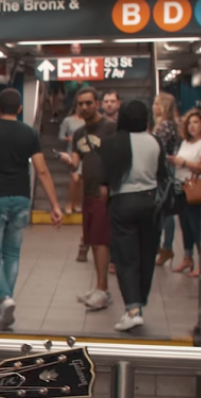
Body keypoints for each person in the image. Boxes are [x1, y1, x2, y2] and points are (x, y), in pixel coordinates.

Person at [0, 87, 63, 329]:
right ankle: (3, 306)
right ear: (19, 109)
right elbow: (41, 169)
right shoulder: (30, 133)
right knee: (12, 253)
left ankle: (5, 297)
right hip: (20, 198)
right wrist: (54, 204)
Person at [99, 100, 169, 332]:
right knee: (147, 254)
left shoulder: (111, 143)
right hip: (150, 202)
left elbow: (104, 183)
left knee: (126, 258)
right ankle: (140, 304)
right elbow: (162, 175)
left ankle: (132, 309)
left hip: (123, 202)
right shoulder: (155, 141)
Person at [58, 87, 118, 311]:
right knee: (93, 240)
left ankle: (102, 290)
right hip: (89, 192)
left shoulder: (110, 128)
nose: (84, 107)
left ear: (97, 103)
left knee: (102, 241)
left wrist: (110, 184)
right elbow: (76, 163)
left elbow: (119, 158)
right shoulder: (79, 134)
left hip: (105, 193)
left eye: (88, 103)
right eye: (80, 104)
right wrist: (67, 161)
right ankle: (99, 286)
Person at [169, 108, 201, 276]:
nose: (192, 126)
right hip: (181, 188)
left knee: (197, 227)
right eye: (189, 122)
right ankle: (187, 257)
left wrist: (182, 162)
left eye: (196, 122)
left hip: (196, 188)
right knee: (185, 226)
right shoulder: (185, 142)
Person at [152, 92, 181, 267]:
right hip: (169, 169)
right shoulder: (173, 125)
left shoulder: (163, 127)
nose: (154, 107)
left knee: (164, 208)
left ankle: (165, 247)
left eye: (157, 104)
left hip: (163, 171)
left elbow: (158, 150)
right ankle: (164, 246)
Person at [58, 100, 85, 215]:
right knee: (75, 179)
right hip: (72, 152)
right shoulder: (68, 120)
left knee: (82, 180)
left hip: (85, 151)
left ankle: (77, 204)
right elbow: (61, 136)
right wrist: (70, 139)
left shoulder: (87, 121)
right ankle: (69, 203)